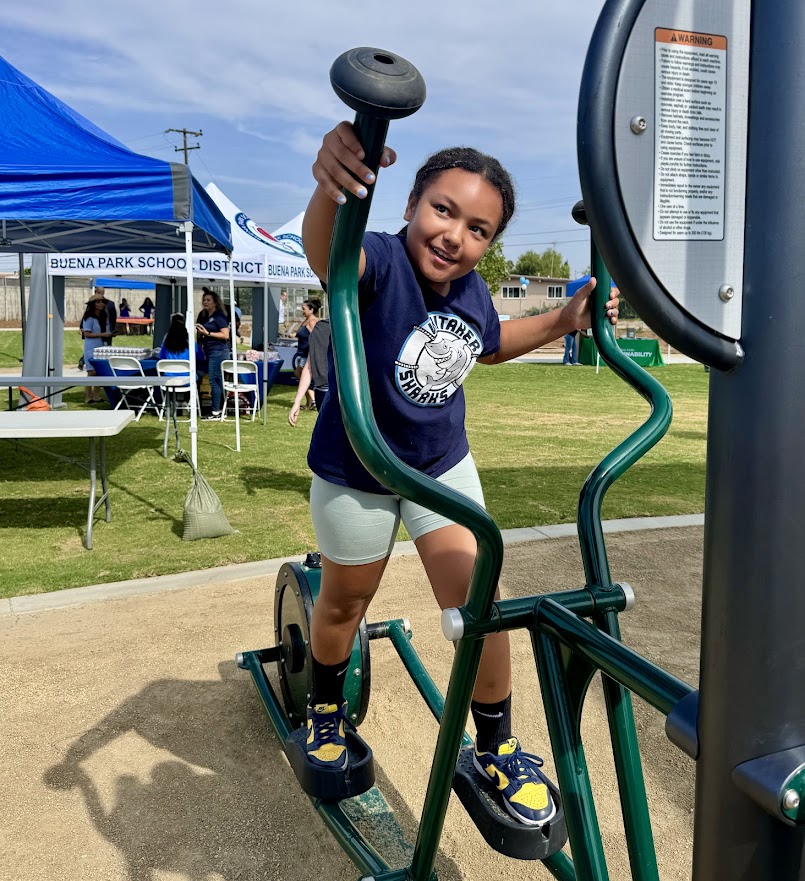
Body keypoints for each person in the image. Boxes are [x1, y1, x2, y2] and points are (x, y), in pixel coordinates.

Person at [298, 122, 619, 827]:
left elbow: (495, 343)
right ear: (411, 202)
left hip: (441, 469)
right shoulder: (378, 261)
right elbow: (326, 253)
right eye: (443, 210)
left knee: (482, 604)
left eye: (478, 229)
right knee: (345, 602)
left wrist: (564, 319)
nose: (454, 236)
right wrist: (332, 186)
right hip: (359, 469)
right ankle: (324, 710)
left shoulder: (471, 293)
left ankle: (496, 745)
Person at [195, 289, 230, 420]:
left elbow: (225, 335)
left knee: (214, 380)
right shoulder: (204, 315)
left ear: (215, 302)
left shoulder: (219, 316)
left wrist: (208, 333)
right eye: (204, 300)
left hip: (219, 351)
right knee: (216, 380)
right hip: (208, 351)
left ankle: (216, 411)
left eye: (208, 300)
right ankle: (220, 409)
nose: (205, 302)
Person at [288, 319, 330, 425]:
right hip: (327, 391)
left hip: (326, 391)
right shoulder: (321, 328)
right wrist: (297, 402)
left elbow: (308, 368)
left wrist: (297, 402)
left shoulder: (320, 327)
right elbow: (309, 367)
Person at [81, 291, 114, 403]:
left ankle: (97, 396)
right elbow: (87, 334)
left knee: (99, 371)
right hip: (91, 347)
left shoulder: (104, 317)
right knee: (91, 372)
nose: (101, 304)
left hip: (103, 346)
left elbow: (107, 330)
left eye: (102, 302)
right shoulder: (89, 318)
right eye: (98, 302)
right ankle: (88, 397)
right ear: (93, 304)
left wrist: (110, 334)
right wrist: (103, 335)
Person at [291, 298, 321, 410]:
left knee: (300, 374)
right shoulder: (306, 320)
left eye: (304, 309)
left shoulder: (313, 322)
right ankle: (309, 403)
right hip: (303, 353)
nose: (302, 311)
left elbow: (317, 338)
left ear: (311, 310)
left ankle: (313, 399)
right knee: (299, 374)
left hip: (309, 354)